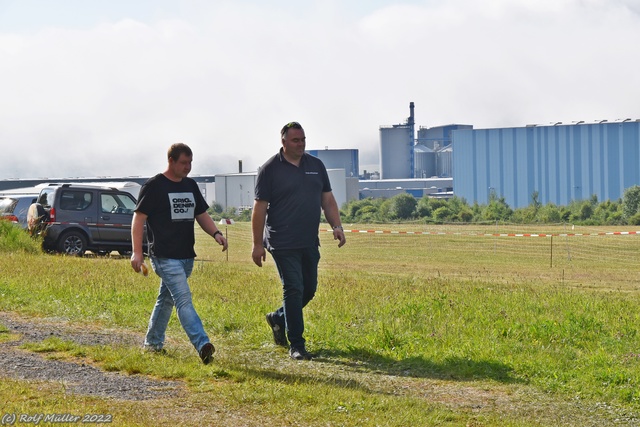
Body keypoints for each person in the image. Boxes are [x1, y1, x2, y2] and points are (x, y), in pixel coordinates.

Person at [251, 121, 346, 360]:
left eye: (303, 139)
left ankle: (278, 318)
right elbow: (259, 208)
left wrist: (337, 226)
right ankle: (297, 345)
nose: (301, 144)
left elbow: (328, 200)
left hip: (308, 240)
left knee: (309, 289)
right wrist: (257, 244)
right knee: (293, 289)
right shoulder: (270, 169)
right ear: (283, 142)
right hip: (281, 241)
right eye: (295, 140)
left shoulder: (316, 165)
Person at [130, 143, 228, 365]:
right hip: (164, 256)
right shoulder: (154, 186)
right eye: (183, 163)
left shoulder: (190, 185)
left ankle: (152, 343)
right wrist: (137, 253)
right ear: (171, 161)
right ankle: (202, 344)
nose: (188, 167)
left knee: (166, 299)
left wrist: (216, 233)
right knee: (184, 300)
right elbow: (138, 219)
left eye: (190, 162)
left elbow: (201, 214)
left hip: (186, 256)